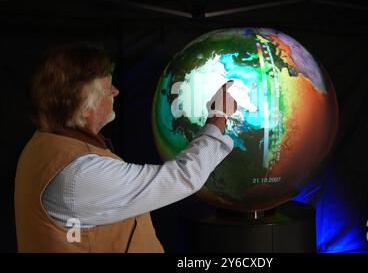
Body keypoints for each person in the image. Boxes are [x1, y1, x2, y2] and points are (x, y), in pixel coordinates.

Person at [14, 42, 237, 253]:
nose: (116, 92)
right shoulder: (79, 175)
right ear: (84, 107)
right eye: (107, 87)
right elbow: (182, 178)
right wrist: (218, 118)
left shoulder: (44, 144)